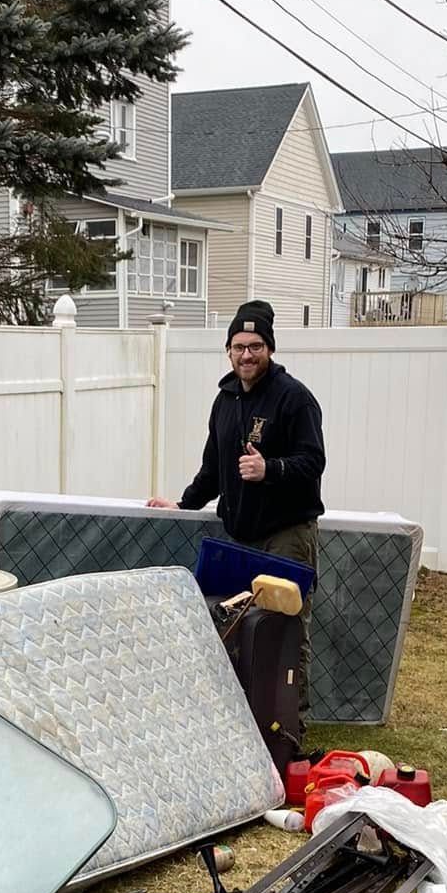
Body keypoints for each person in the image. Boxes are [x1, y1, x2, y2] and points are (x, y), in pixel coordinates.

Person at [149, 298, 325, 742]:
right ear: (228, 350)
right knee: (235, 628)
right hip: (240, 538)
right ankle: (245, 724)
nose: (247, 355)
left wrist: (271, 470)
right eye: (239, 346)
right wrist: (184, 506)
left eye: (257, 346)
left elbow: (312, 462)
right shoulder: (225, 400)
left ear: (270, 349)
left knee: (284, 630)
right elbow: (214, 468)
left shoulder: (294, 399)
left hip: (286, 536)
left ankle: (288, 733)